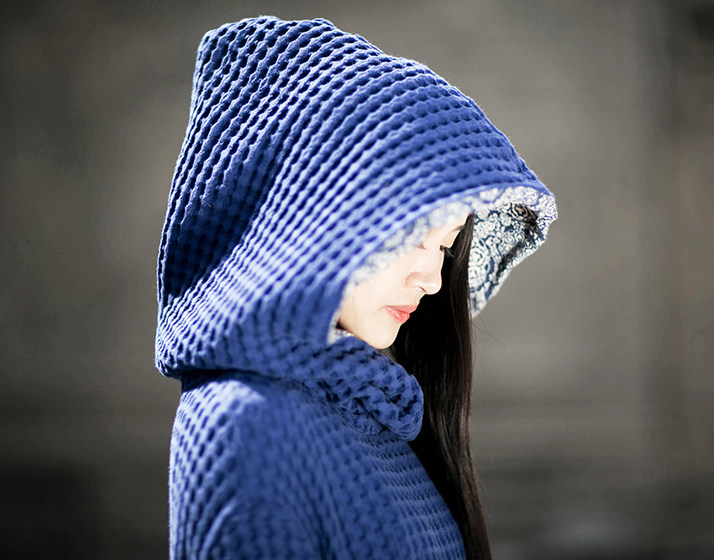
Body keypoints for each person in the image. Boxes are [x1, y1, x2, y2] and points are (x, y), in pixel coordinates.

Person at [155, 15, 557, 560]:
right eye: (411, 234)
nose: (432, 280)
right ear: (308, 213)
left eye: (444, 246)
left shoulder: (380, 410)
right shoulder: (244, 426)